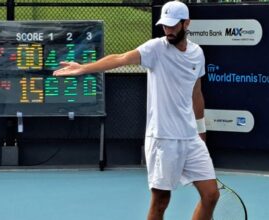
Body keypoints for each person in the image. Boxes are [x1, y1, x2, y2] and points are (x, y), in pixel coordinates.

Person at [53, 1, 219, 219]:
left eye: (172, 25)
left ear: (186, 23)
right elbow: (121, 58)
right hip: (163, 138)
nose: (168, 30)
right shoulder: (155, 48)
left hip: (190, 138)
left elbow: (196, 93)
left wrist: (201, 132)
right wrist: (84, 68)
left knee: (211, 195)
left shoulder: (197, 53)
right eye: (165, 26)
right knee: (160, 201)